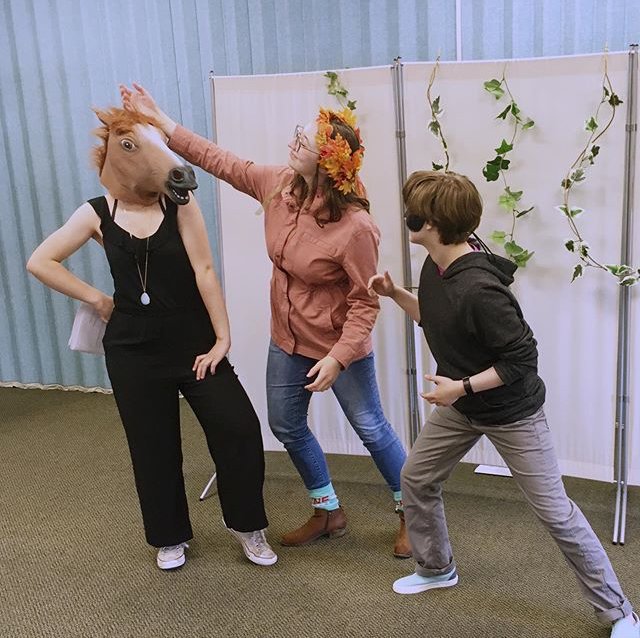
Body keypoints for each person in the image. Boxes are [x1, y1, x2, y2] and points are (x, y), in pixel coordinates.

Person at [119, 83, 410, 556]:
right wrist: (161, 121)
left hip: (338, 347)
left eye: (304, 141)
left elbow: (365, 303)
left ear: (328, 163)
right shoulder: (278, 185)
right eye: (299, 133)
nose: (293, 142)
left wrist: (338, 358)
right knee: (286, 424)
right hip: (288, 341)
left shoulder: (357, 228)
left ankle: (413, 513)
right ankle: (328, 510)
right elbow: (221, 161)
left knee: (371, 427)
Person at [367, 170, 638, 636]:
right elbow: (434, 317)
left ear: (433, 224)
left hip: (512, 413)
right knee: (416, 477)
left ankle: (620, 612)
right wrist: (395, 295)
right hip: (462, 406)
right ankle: (436, 568)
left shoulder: (481, 290)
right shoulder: (436, 266)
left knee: (556, 512)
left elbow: (522, 360)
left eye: (414, 212)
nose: (406, 216)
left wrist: (460, 388)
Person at [27, 106, 277, 570]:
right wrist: (97, 299)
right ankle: (169, 536)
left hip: (194, 342)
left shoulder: (177, 203)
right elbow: (40, 261)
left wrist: (222, 339)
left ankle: (246, 525)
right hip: (132, 349)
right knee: (153, 445)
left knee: (239, 429)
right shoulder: (97, 212)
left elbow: (205, 270)